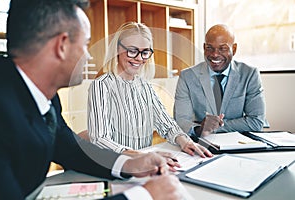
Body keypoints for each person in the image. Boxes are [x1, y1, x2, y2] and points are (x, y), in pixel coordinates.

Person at [0, 0, 183, 199]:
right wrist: (144, 195)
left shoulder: (41, 95)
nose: (88, 57)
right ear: (62, 45)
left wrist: (128, 164)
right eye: (85, 44)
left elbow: (71, 150)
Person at [87, 21, 212, 162]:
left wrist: (185, 141)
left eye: (145, 52)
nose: (139, 58)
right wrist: (140, 156)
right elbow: (99, 139)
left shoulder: (145, 86)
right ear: (117, 49)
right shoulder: (101, 86)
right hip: (117, 165)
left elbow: (167, 125)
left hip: (145, 166)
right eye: (132, 51)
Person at [174, 24, 266, 137]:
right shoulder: (187, 76)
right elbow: (180, 121)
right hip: (201, 143)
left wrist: (214, 127)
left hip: (239, 143)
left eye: (223, 48)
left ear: (234, 49)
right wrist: (198, 129)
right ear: (204, 47)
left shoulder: (250, 74)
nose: (215, 54)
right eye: (209, 48)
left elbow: (256, 122)